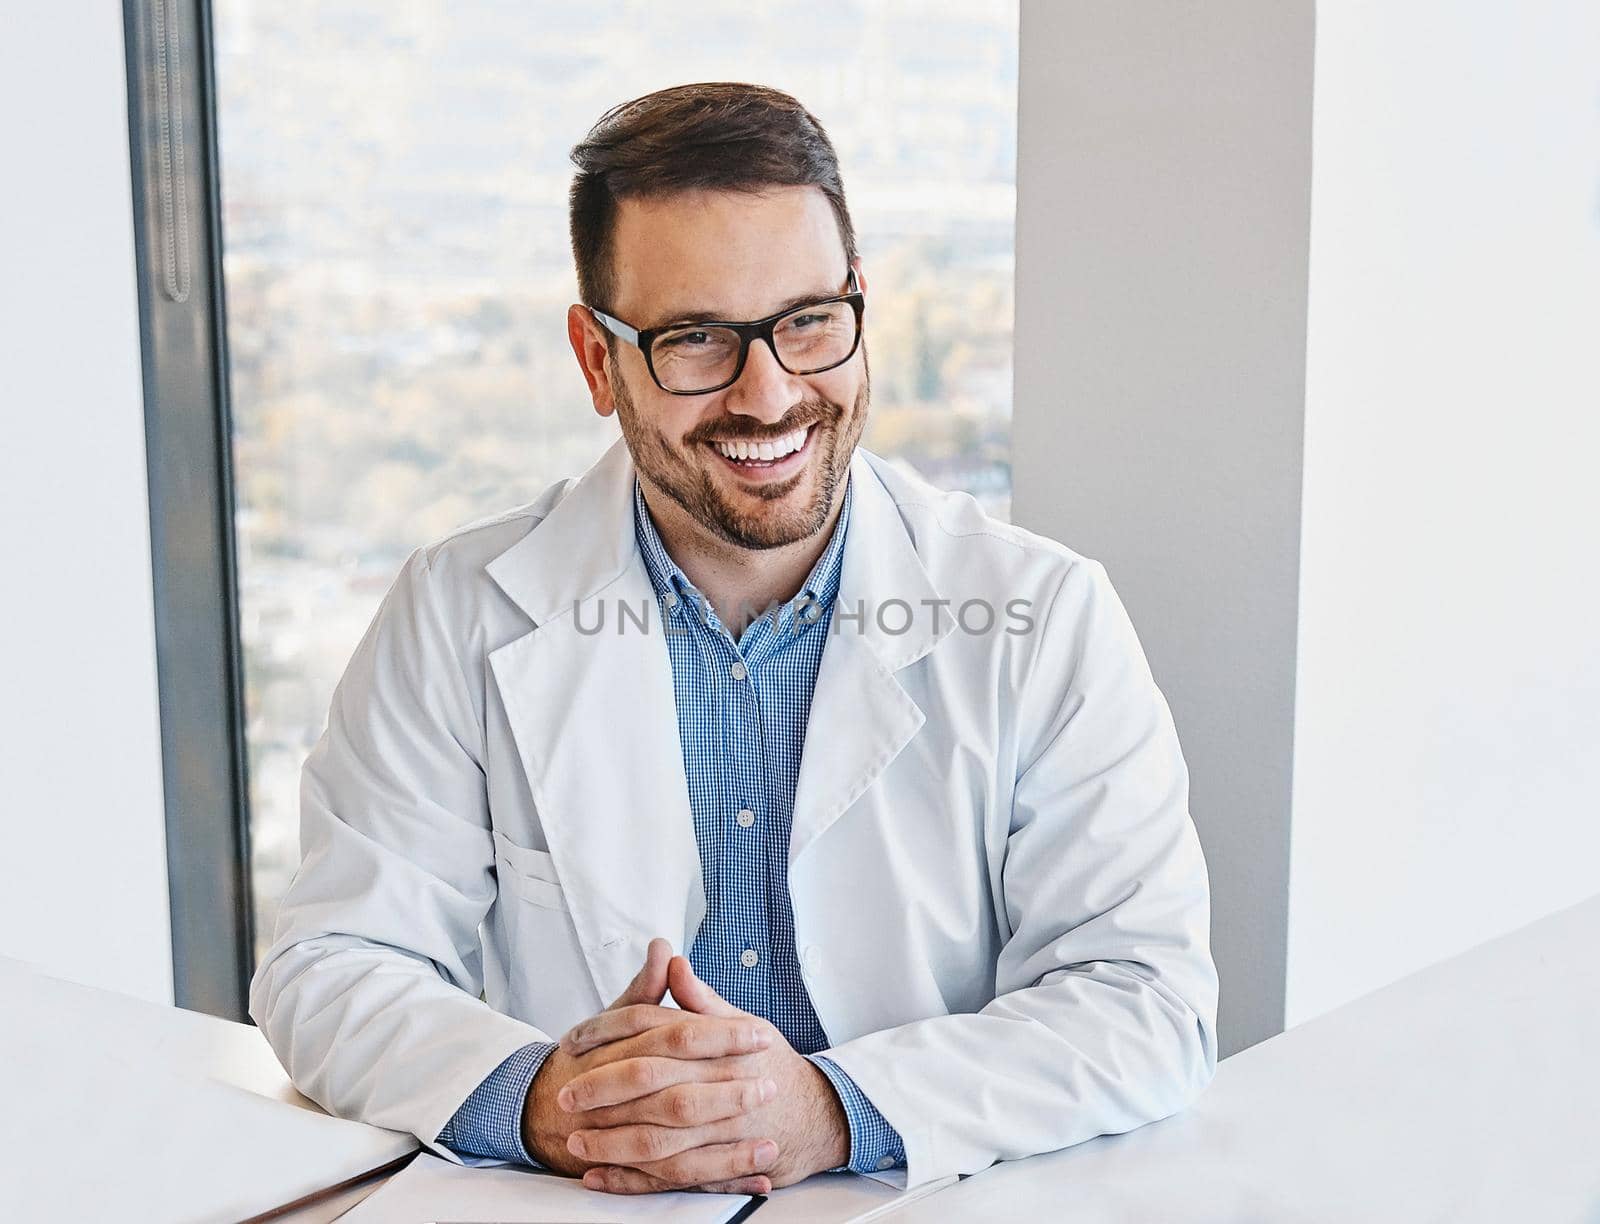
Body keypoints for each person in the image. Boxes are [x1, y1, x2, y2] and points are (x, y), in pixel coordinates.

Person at [249, 81, 1219, 1197]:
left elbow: (1143, 998)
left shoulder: (1042, 616)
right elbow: (331, 966)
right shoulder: (456, 610)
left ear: (861, 304)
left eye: (808, 321)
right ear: (595, 359)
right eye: (696, 338)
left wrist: (828, 1110)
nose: (769, 395)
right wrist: (538, 1097)